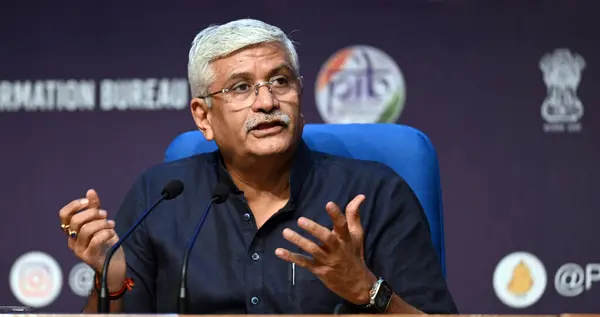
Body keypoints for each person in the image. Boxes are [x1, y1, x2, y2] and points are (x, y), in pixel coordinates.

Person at [58, 18, 458, 314]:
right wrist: (108, 282)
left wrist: (368, 291)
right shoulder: (160, 197)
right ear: (203, 117)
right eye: (241, 87)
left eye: (280, 81)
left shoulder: (373, 195)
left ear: (300, 94)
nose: (267, 102)